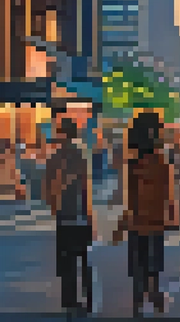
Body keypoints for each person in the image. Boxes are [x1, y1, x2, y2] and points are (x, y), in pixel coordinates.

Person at [116, 111, 179, 317]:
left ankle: (138, 303)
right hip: (155, 221)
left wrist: (125, 221)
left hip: (137, 222)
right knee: (153, 264)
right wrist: (172, 216)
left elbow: (130, 198)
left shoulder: (133, 165)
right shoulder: (162, 163)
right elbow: (168, 195)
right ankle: (154, 293)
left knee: (138, 265)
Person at [44, 116, 93, 318]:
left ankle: (70, 299)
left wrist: (55, 206)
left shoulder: (54, 158)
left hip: (64, 216)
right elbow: (86, 188)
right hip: (80, 216)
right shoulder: (81, 156)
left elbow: (47, 190)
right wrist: (90, 214)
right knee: (83, 258)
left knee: (67, 261)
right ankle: (87, 299)